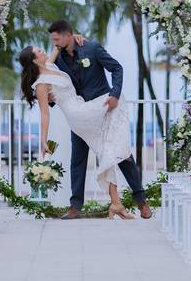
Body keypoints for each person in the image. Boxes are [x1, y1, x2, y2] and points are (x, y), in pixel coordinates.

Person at [17, 20, 152, 220]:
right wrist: (44, 138)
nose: (52, 44)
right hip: (81, 115)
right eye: (49, 42)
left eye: (56, 39)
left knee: (118, 152)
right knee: (79, 160)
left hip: (94, 108)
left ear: (67, 36)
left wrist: (114, 94)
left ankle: (130, 202)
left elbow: (117, 69)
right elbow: (47, 106)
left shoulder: (89, 49)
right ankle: (76, 206)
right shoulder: (54, 63)